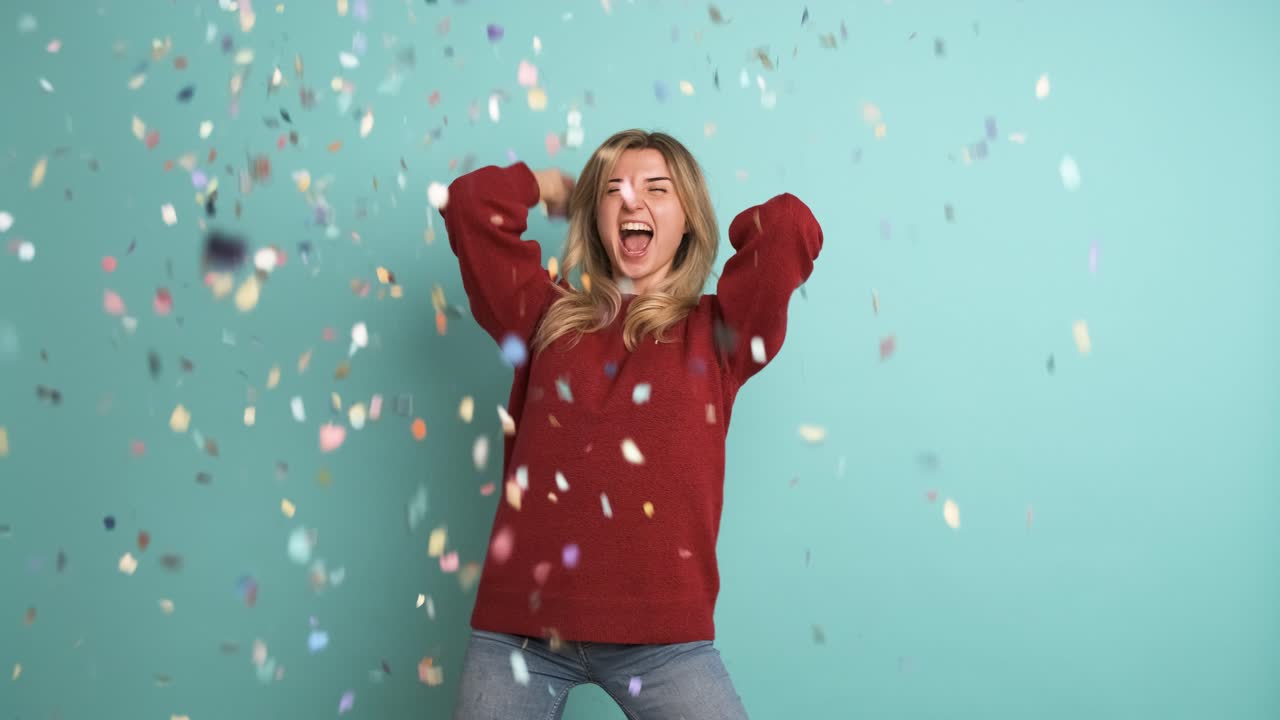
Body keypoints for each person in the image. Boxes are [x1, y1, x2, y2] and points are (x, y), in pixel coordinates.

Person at [440, 129, 823, 719]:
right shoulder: (542, 314)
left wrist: (712, 223)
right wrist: (546, 187)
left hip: (664, 641)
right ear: (595, 219)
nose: (630, 201)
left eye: (656, 189)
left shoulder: (719, 332)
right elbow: (470, 204)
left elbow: (789, 228)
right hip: (519, 632)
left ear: (688, 218)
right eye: (613, 190)